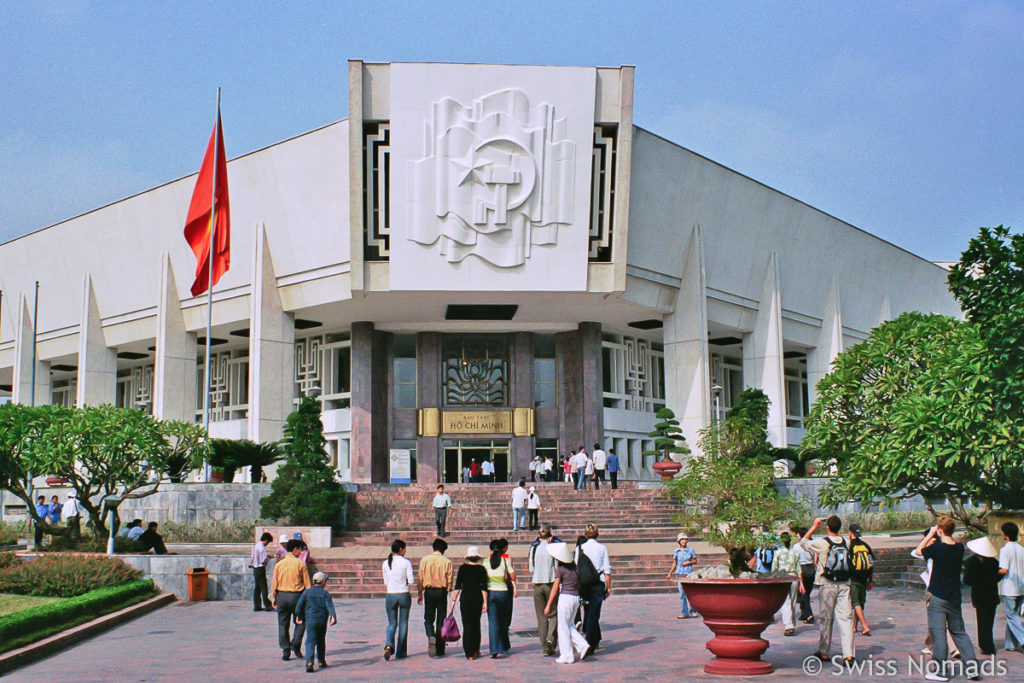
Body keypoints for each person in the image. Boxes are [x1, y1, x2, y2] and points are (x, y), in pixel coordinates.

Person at [915, 517, 977, 679]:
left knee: (939, 633)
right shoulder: (959, 548)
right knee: (959, 632)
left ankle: (941, 670)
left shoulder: (936, 548)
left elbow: (918, 551)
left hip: (938, 596)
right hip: (954, 597)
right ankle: (972, 668)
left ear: (940, 531)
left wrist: (930, 535)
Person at [800, 515, 855, 664]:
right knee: (846, 619)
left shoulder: (823, 543)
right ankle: (848, 655)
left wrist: (814, 526)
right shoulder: (847, 542)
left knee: (826, 618)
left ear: (827, 527)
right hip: (845, 583)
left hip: (827, 583)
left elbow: (803, 542)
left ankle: (824, 651)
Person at [543, 541, 593, 664]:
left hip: (565, 597)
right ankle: (582, 646)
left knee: (563, 627)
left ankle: (567, 654)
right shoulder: (575, 567)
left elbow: (555, 587)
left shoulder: (561, 568)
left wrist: (548, 604)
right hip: (575, 597)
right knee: (569, 625)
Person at [914, 528, 959, 658]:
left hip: (934, 590)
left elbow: (917, 551)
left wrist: (929, 536)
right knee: (948, 620)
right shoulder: (949, 551)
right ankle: (937, 645)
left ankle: (950, 648)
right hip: (949, 590)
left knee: (938, 621)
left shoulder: (934, 551)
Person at [271, 539, 311, 661]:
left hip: (282, 595)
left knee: (283, 623)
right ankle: (295, 643)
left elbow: (274, 584)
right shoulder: (300, 564)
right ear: (295, 550)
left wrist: (274, 597)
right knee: (301, 621)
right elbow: (307, 584)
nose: (300, 552)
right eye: (300, 549)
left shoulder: (279, 564)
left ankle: (285, 649)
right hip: (296, 596)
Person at [964, 535, 1001, 655]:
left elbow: (967, 580)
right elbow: (997, 577)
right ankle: (988, 644)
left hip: (979, 595)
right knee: (989, 620)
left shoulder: (971, 562)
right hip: (991, 594)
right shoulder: (994, 562)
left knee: (982, 620)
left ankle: (985, 644)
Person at [577, 523, 612, 650]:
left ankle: (595, 638)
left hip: (584, 583)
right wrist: (608, 586)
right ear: (597, 533)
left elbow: (576, 567)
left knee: (588, 611)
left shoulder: (580, 548)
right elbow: (607, 569)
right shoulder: (602, 548)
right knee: (594, 613)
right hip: (598, 583)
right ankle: (591, 642)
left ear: (585, 534)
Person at [450, 546, 489, 659]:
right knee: (476, 624)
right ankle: (476, 650)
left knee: (467, 625)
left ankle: (469, 653)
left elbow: (458, 586)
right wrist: (485, 603)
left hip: (465, 599)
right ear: (477, 557)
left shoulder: (462, 568)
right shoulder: (481, 569)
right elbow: (484, 588)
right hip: (477, 599)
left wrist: (453, 600)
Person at [418, 537, 454, 657]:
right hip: (441, 591)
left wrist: (420, 592)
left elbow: (420, 577)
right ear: (443, 550)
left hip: (429, 591)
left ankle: (431, 635)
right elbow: (450, 580)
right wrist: (448, 590)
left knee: (428, 618)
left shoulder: (425, 560)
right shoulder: (447, 562)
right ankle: (440, 648)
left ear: (433, 548)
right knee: (441, 620)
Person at [294, 571, 336, 672]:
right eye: (325, 581)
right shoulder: (325, 593)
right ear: (322, 583)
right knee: (321, 640)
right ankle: (321, 660)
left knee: (310, 641)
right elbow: (329, 605)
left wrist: (299, 616)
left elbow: (299, 606)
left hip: (310, 620)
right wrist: (333, 616)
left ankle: (309, 662)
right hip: (321, 620)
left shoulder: (307, 592)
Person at [382, 539, 415, 660]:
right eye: (405, 549)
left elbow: (386, 582)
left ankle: (389, 645)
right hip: (404, 594)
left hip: (390, 594)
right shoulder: (406, 562)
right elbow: (411, 581)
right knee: (403, 622)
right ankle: (401, 651)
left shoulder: (386, 563)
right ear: (401, 549)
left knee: (392, 623)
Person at [530, 524, 560, 655]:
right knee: (553, 614)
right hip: (550, 583)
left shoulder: (534, 548)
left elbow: (531, 568)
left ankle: (544, 647)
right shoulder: (553, 548)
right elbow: (557, 567)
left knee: (541, 617)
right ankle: (550, 640)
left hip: (537, 583)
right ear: (550, 534)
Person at [485, 538, 516, 658]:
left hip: (491, 593)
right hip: (503, 592)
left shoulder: (486, 562)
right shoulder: (505, 560)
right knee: (503, 620)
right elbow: (512, 575)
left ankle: (494, 649)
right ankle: (503, 645)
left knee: (493, 622)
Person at [998, 521, 1024, 653]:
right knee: (1013, 616)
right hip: (1021, 587)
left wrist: (994, 572)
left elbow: (1004, 570)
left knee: (1012, 616)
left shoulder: (1005, 550)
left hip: (1009, 588)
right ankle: (1010, 644)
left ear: (1005, 534)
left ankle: (1022, 639)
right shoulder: (1021, 549)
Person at [848, 523, 874, 636]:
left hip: (854, 578)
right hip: (865, 578)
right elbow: (872, 563)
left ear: (850, 532)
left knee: (856, 602)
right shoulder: (865, 545)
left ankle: (864, 626)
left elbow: (848, 563)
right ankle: (854, 626)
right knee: (860, 603)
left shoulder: (850, 547)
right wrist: (870, 580)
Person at [772, 532, 801, 635]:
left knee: (786, 602)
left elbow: (774, 568)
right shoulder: (796, 553)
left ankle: (789, 626)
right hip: (793, 578)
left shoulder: (778, 553)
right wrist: (802, 583)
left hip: (782, 578)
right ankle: (791, 623)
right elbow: (799, 569)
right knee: (793, 602)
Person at [668, 532, 697, 619]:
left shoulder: (691, 550)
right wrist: (670, 573)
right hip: (679, 574)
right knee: (682, 594)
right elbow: (674, 563)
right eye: (682, 540)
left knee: (691, 593)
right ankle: (684, 611)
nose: (684, 541)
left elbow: (695, 560)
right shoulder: (676, 551)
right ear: (679, 541)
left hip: (688, 573)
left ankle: (693, 610)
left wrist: (689, 562)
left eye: (685, 539)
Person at [795, 526, 816, 624]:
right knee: (807, 591)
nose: (796, 536)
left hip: (801, 569)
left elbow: (794, 560)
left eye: (797, 534)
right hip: (811, 569)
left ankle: (809, 614)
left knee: (803, 592)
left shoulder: (796, 546)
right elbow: (815, 559)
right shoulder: (812, 545)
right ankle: (803, 614)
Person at [251, 531, 275, 612]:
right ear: (266, 540)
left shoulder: (256, 545)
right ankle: (267, 605)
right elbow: (263, 560)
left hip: (255, 568)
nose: (267, 544)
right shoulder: (262, 547)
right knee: (264, 587)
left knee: (257, 588)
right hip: (260, 568)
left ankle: (257, 605)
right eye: (268, 542)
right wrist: (269, 557)